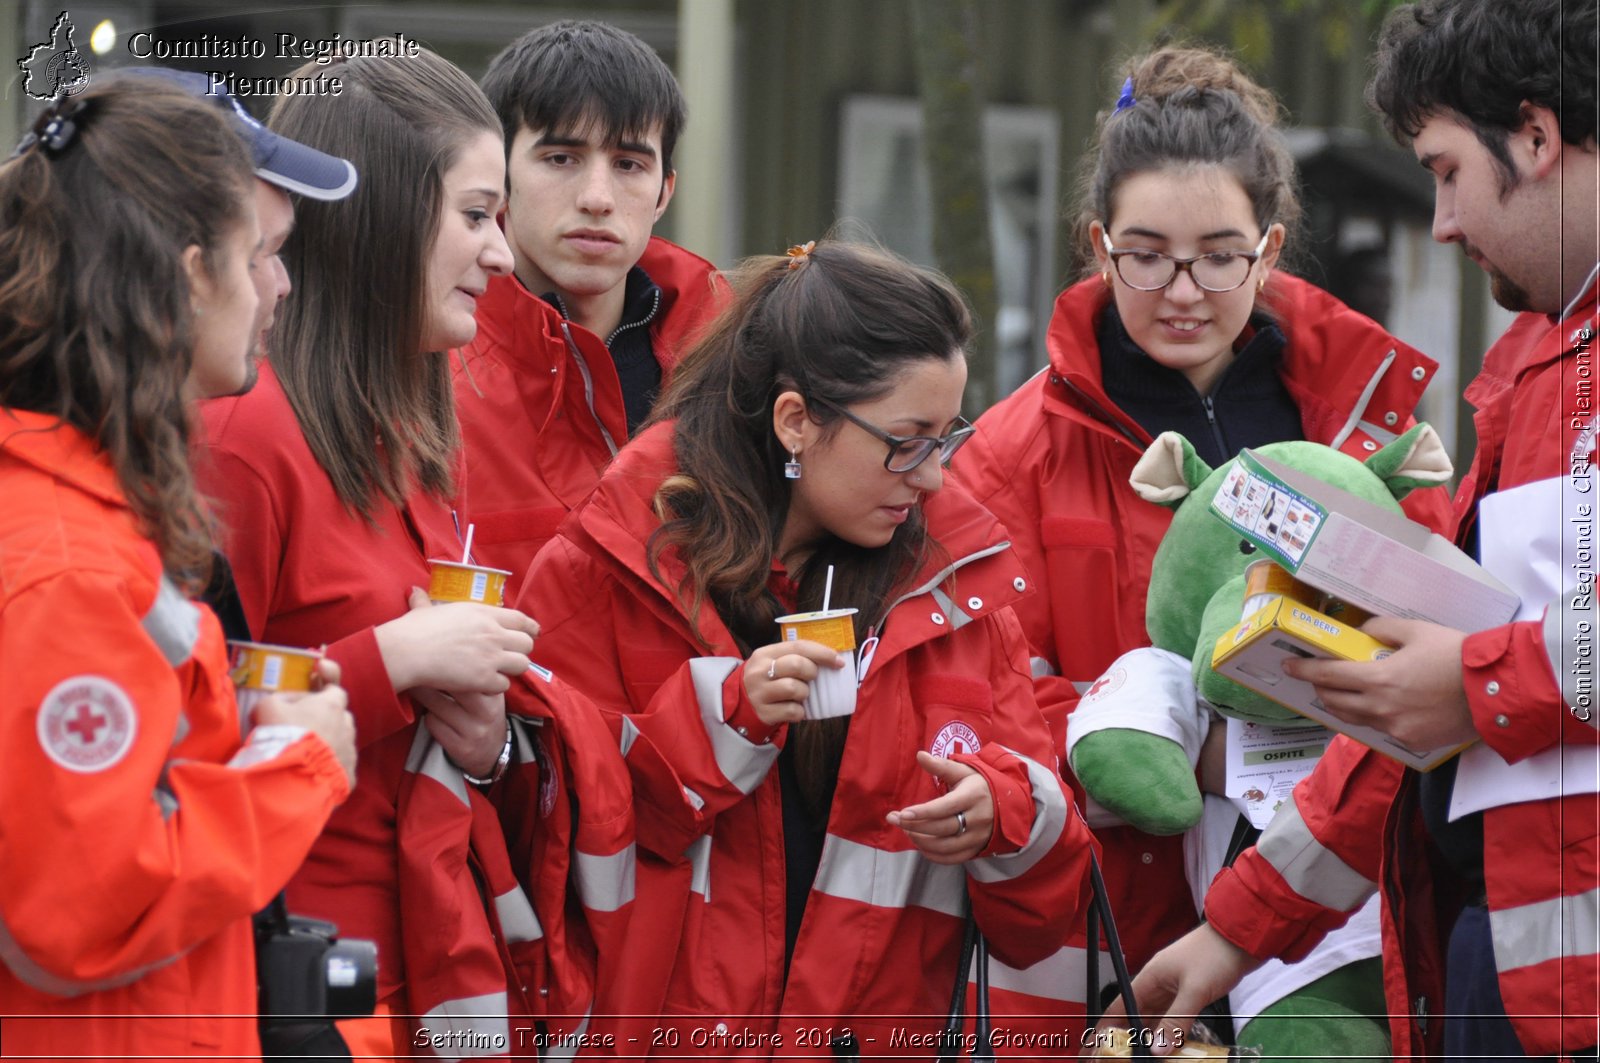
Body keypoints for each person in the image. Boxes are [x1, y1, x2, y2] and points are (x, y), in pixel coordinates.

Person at [1101, 2, 1600, 1059]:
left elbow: (1462, 680)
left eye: (1445, 169)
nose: (1442, 224)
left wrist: (1473, 678)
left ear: (1537, 136)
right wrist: (1232, 934)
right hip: (1513, 976)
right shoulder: (1531, 372)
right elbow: (1416, 710)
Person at [951, 45, 1451, 1053]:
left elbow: (1438, 638)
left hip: (1335, 906)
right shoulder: (1015, 450)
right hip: (1110, 915)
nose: (1182, 289)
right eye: (1145, 253)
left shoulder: (1361, 426)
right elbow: (991, 689)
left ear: (1269, 250)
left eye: (1219, 255)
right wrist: (1186, 742)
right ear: (1098, 246)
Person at [518, 238, 1094, 1054]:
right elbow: (542, 832)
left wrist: (1010, 817)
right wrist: (720, 719)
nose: (932, 478)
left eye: (946, 437)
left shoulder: (958, 591)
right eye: (906, 440)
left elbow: (1046, 918)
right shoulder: (606, 569)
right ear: (796, 421)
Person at [196, 51, 546, 1055]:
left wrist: (484, 745)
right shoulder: (246, 435)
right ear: (382, 220)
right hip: (291, 988)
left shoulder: (414, 437)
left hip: (420, 977)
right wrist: (396, 660)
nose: (504, 256)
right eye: (477, 216)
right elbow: (181, 714)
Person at [0, 77, 355, 1059]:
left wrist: (233, 726)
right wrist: (298, 765)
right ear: (192, 274)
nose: (279, 288)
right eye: (264, 258)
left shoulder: (70, 514)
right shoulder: (66, 562)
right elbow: (84, 898)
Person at [454, 19, 723, 598]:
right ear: (498, 176)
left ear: (664, 193)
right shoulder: (424, 365)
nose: (597, 198)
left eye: (629, 164)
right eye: (560, 158)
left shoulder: (736, 363)